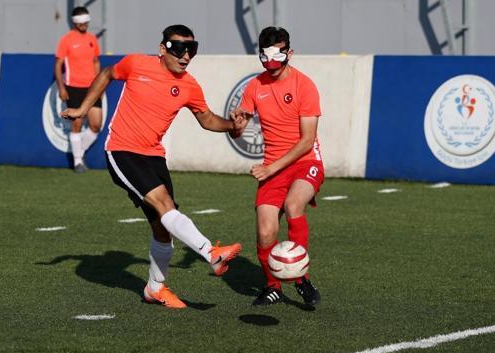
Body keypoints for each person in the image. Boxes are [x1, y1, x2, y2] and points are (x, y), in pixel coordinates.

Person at [61, 24, 247, 309]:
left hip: (154, 156)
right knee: (165, 205)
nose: (186, 55)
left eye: (192, 49)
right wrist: (83, 109)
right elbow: (107, 73)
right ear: (162, 48)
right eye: (179, 48)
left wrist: (231, 126)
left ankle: (154, 289)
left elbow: (208, 119)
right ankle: (211, 252)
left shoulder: (189, 85)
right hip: (122, 150)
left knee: (162, 227)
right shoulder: (137, 64)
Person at [233, 26, 324, 308]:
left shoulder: (304, 85)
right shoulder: (254, 86)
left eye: (277, 57)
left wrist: (271, 168)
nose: (271, 65)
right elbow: (239, 130)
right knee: (265, 232)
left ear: (289, 53)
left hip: (306, 162)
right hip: (273, 167)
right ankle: (272, 286)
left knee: (294, 205)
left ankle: (301, 280)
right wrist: (236, 126)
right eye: (265, 58)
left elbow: (307, 141)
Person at [54, 6, 102, 173]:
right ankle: (77, 162)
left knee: (96, 125)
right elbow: (58, 65)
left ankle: (78, 152)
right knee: (77, 125)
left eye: (86, 21)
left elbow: (96, 62)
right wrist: (61, 88)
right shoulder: (66, 40)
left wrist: (99, 84)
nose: (84, 24)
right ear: (75, 22)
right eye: (81, 21)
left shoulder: (92, 39)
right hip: (73, 87)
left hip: (92, 88)